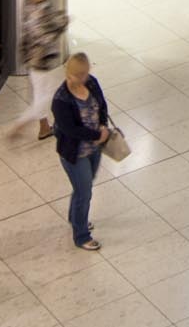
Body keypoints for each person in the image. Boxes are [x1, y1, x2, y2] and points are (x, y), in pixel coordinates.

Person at [50, 51, 114, 251]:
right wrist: (97, 136)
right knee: (84, 191)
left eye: (84, 74)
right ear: (68, 74)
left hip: (94, 148)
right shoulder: (61, 100)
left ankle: (75, 218)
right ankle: (81, 235)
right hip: (74, 153)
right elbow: (70, 130)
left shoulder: (92, 83)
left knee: (84, 187)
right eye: (77, 75)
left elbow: (102, 105)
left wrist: (102, 125)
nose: (81, 79)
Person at [9, 0, 68, 142]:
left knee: (40, 93)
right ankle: (20, 124)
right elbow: (43, 36)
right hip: (41, 59)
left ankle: (44, 128)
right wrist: (62, 24)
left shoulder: (31, 5)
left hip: (32, 58)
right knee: (50, 94)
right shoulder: (39, 9)